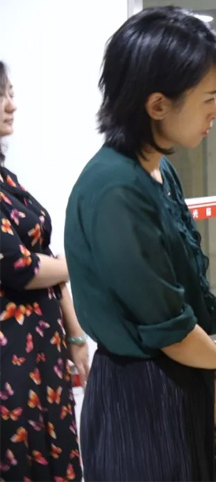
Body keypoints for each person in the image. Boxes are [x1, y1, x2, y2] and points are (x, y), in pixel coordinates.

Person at [64, 7, 216, 480]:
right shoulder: (115, 188)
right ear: (157, 105)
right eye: (208, 99)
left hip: (179, 377)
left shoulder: (160, 169)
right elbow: (170, 330)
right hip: (140, 395)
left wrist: (209, 384)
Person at [0, 61, 86, 482]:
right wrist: (86, 260)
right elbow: (20, 267)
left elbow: (45, 259)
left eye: (11, 93)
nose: (11, 105)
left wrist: (76, 335)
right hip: (11, 363)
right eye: (1, 95)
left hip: (46, 350)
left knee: (58, 457)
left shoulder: (8, 180)